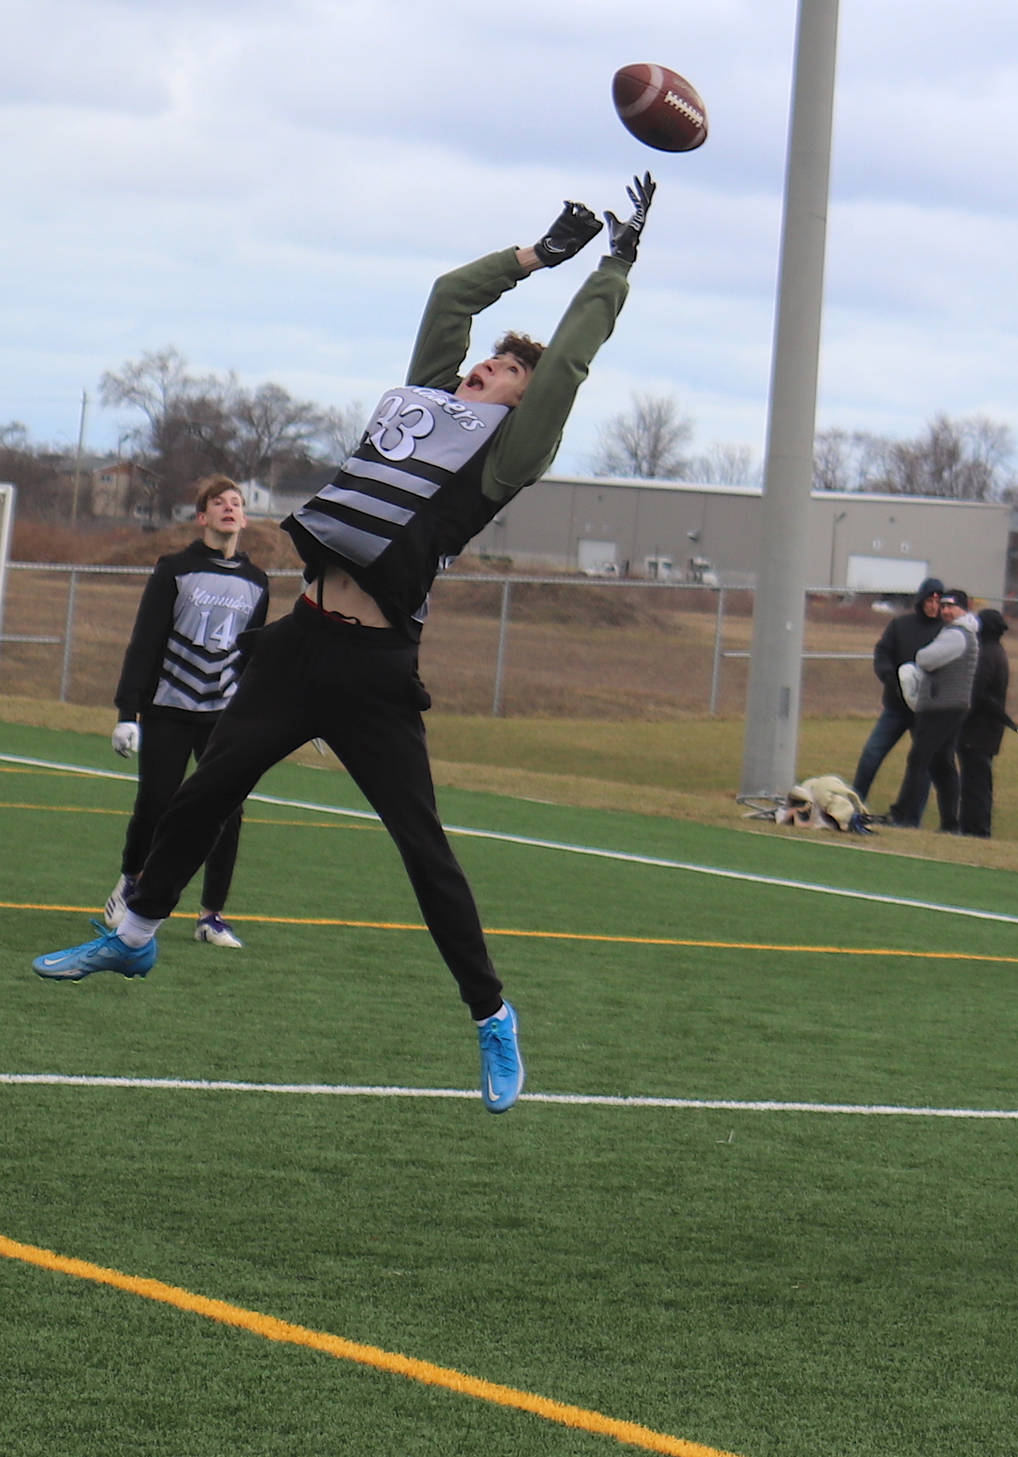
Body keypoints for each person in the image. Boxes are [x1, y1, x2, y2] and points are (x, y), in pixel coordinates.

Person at [32, 177, 658, 1116]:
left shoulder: (504, 458)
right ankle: (140, 928)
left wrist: (614, 266)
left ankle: (491, 1014)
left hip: (373, 672)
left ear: (519, 412)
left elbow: (563, 365)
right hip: (299, 644)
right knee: (207, 787)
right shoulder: (420, 409)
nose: (483, 372)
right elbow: (452, 295)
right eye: (485, 365)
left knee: (423, 848)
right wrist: (538, 255)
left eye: (501, 378)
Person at [102, 475, 271, 951]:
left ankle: (211, 915)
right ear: (202, 517)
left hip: (222, 714)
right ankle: (131, 881)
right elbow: (146, 642)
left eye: (237, 502)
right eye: (219, 503)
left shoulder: (257, 582)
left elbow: (251, 655)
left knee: (228, 811)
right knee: (155, 804)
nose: (230, 508)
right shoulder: (173, 569)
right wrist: (127, 712)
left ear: (244, 517)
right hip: (168, 708)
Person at [889, 589, 978, 830]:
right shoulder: (958, 632)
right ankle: (950, 822)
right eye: (944, 606)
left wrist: (919, 655)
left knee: (919, 758)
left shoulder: (956, 634)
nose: (946, 611)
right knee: (942, 764)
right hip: (948, 705)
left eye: (951, 606)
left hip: (943, 706)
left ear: (963, 609)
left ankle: (902, 814)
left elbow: (926, 658)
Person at [851, 578, 945, 804]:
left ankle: (912, 816)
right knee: (872, 752)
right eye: (930, 600)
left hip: (926, 709)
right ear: (921, 600)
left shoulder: (946, 631)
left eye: (938, 601)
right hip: (896, 705)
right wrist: (891, 677)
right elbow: (883, 653)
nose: (934, 606)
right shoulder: (901, 625)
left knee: (921, 763)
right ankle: (855, 801)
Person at [956, 607, 1016, 838]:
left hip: (978, 730)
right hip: (987, 730)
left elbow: (976, 694)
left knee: (975, 783)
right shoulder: (996, 652)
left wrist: (959, 720)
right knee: (979, 781)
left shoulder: (986, 655)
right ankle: (976, 826)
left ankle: (975, 828)